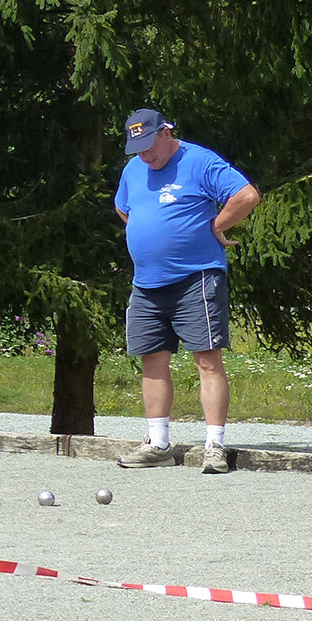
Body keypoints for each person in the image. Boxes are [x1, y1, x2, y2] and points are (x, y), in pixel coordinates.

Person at [112, 108, 260, 473]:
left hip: (196, 277)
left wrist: (214, 226)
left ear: (166, 132)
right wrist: (150, 232)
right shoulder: (134, 170)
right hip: (146, 283)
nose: (145, 155)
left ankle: (214, 446)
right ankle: (159, 444)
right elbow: (123, 208)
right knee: (152, 359)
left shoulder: (199, 161)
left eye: (149, 145)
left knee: (207, 360)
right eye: (138, 149)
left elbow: (246, 196)